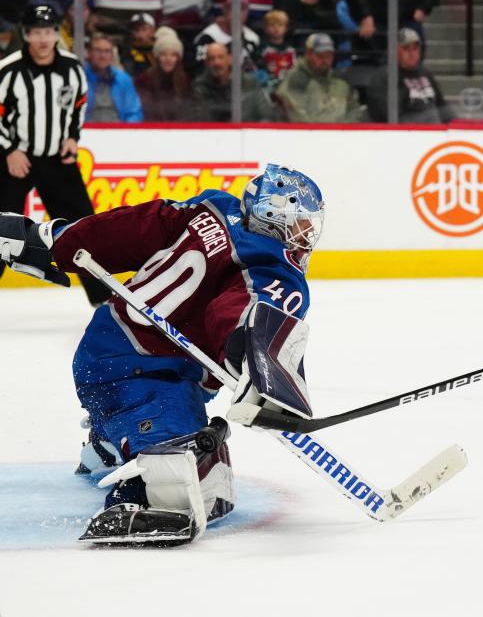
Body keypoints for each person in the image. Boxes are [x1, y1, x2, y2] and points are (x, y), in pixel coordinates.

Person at [0, 164, 326, 544]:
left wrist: (53, 239)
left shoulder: (212, 208)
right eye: (301, 225)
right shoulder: (272, 268)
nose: (306, 237)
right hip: (152, 372)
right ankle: (136, 498)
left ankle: (106, 444)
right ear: (275, 218)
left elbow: (133, 228)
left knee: (137, 413)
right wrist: (257, 363)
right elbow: (240, 313)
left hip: (102, 344)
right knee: (186, 457)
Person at [0, 4, 111, 305]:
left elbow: (79, 105)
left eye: (48, 31)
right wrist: (9, 149)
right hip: (14, 160)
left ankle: (104, 300)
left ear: (56, 34)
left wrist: (73, 138)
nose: (43, 39)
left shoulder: (73, 68)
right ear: (26, 35)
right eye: (36, 32)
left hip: (56, 161)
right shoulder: (9, 70)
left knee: (85, 229)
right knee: (0, 229)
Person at [366, 28, 452, 124]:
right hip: (405, 133)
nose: (412, 53)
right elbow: (390, 116)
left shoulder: (425, 73)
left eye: (415, 48)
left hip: (434, 131)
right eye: (406, 49)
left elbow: (442, 106)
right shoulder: (384, 77)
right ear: (395, 51)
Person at [276, 33, 360, 123]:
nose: (325, 60)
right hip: (308, 135)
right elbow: (297, 118)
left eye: (328, 56)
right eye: (320, 56)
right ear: (308, 54)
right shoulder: (296, 79)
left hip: (343, 134)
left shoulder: (340, 79)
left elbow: (354, 109)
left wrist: (343, 129)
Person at [192, 42, 280, 122]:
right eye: (212, 58)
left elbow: (265, 114)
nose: (217, 63)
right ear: (206, 63)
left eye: (221, 57)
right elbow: (200, 120)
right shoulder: (201, 87)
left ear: (229, 59)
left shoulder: (249, 82)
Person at [191, 0, 261, 73]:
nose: (237, 13)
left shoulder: (253, 38)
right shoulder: (207, 37)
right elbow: (200, 71)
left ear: (247, 11)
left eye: (242, 8)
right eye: (232, 8)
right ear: (224, 9)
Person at [134, 27, 193, 121]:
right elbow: (144, 111)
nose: (168, 59)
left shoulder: (184, 80)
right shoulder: (144, 80)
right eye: (163, 54)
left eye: (173, 55)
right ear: (157, 57)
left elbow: (188, 112)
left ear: (178, 59)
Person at [83, 33, 144, 123]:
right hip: (86, 132)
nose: (102, 56)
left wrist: (126, 132)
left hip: (119, 133)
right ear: (89, 53)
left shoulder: (124, 80)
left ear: (112, 55)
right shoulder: (79, 79)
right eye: (98, 50)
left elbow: (134, 113)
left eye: (107, 51)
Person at [258, 9, 297, 84]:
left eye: (280, 25)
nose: (276, 28)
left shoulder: (290, 49)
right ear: (265, 28)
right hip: (268, 83)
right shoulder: (262, 49)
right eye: (272, 25)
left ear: (286, 28)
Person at [119, 12, 158, 78]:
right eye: (136, 29)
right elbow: (129, 74)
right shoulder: (128, 51)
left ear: (153, 31)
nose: (140, 33)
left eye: (144, 29)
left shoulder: (161, 48)